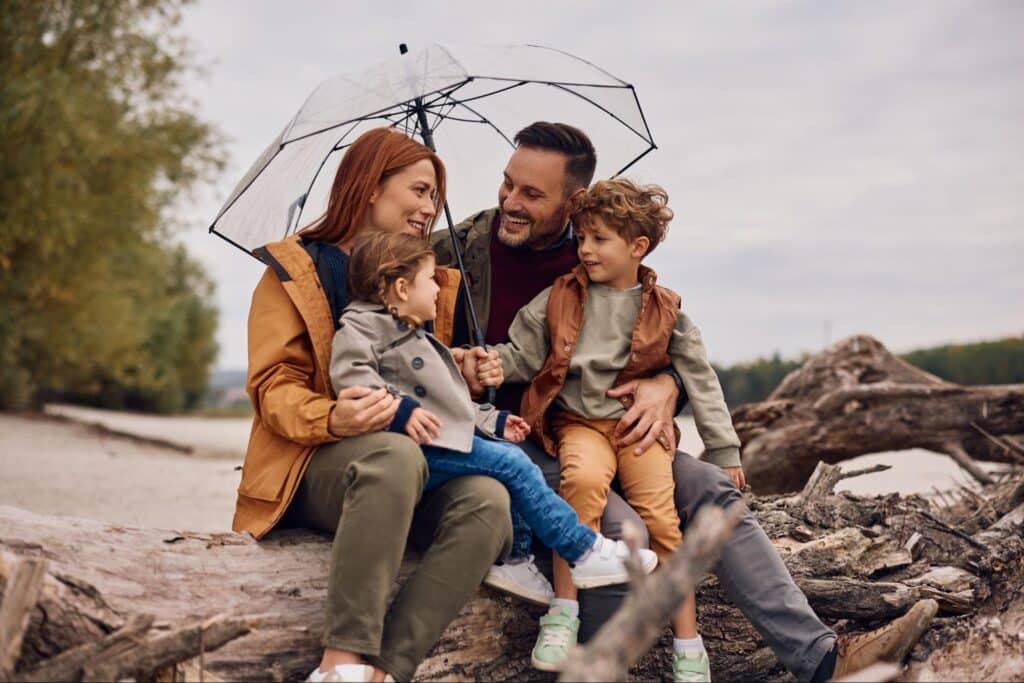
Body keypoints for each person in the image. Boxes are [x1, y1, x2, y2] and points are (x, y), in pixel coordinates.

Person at [431, 120, 937, 681]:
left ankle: (820, 658)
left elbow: (661, 340)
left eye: (531, 193)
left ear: (574, 203)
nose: (509, 202)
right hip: (524, 437)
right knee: (623, 531)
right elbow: (401, 337)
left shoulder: (603, 249)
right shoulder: (459, 248)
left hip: (618, 426)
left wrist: (666, 383)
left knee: (715, 494)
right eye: (507, 184)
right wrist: (455, 364)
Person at [232, 127, 515, 683]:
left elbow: (418, 374)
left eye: (434, 195)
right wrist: (333, 415)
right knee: (392, 457)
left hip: (417, 463)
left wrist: (464, 372)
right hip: (313, 462)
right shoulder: (293, 272)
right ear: (368, 186)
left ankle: (388, 671)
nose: (428, 207)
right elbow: (272, 388)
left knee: (488, 501)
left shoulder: (422, 277)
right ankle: (341, 663)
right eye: (417, 190)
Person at [328, 231, 659, 600]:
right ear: (402, 289)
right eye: (431, 279)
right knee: (512, 463)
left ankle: (515, 560)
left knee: (507, 461)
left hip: (431, 440)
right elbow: (351, 377)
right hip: (406, 451)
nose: (439, 289)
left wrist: (494, 421)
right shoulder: (361, 327)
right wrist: (400, 410)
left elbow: (448, 404)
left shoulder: (412, 333)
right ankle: (580, 550)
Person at [491, 178, 725, 680]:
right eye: (581, 238)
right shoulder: (559, 297)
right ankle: (564, 613)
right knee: (579, 486)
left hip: (637, 429)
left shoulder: (666, 307)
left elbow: (700, 379)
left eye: (599, 239)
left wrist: (725, 449)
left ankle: (690, 643)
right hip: (578, 424)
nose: (585, 250)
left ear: (637, 247)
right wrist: (484, 363)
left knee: (662, 521)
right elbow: (520, 354)